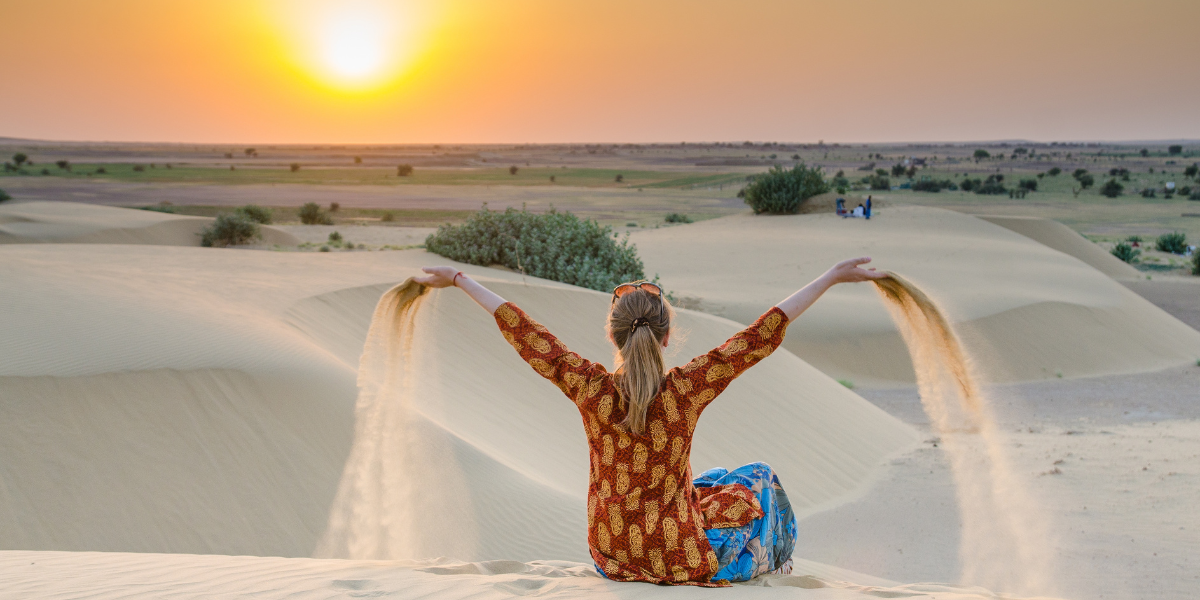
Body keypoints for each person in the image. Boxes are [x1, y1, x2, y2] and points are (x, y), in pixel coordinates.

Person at [414, 259, 886, 586]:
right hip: (680, 557)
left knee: (710, 482)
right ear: (667, 336)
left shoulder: (590, 388)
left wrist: (459, 279)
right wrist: (830, 277)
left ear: (613, 335)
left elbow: (528, 335)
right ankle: (775, 568)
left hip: (611, 556)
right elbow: (757, 337)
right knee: (758, 479)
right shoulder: (685, 390)